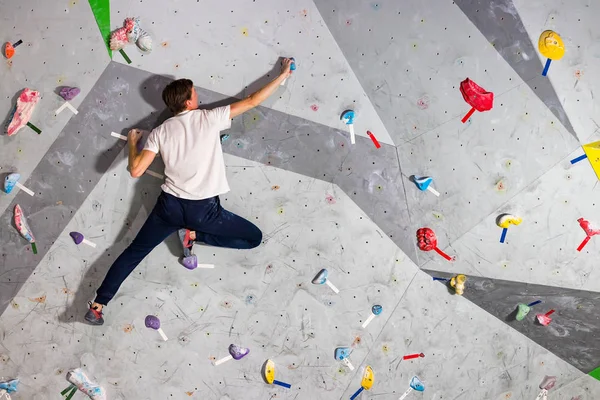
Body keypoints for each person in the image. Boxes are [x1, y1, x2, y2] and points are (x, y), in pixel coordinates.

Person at [84, 58, 294, 325]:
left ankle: (99, 305)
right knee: (253, 238)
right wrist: (283, 75)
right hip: (203, 211)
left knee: (133, 251)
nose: (199, 97)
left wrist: (134, 143)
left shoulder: (160, 131)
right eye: (195, 94)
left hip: (168, 207)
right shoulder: (208, 118)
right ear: (188, 102)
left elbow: (136, 170)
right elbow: (252, 101)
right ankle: (196, 234)